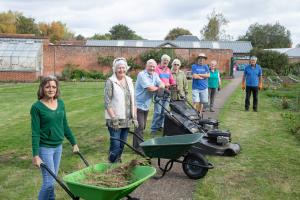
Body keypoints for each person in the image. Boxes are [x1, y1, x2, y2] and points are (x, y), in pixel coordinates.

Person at [30, 75, 79, 200]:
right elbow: (35, 132)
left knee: (53, 180)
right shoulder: (36, 107)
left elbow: (65, 126)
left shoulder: (61, 103)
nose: (51, 89)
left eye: (53, 87)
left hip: (58, 147)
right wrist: (35, 155)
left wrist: (74, 143)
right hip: (45, 148)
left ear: (57, 89)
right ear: (42, 88)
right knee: (49, 182)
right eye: (48, 87)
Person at [104, 57, 137, 163]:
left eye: (123, 67)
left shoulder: (129, 80)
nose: (121, 70)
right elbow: (107, 102)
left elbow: (133, 100)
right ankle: (112, 163)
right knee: (115, 145)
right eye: (119, 68)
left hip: (127, 120)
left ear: (126, 68)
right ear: (115, 69)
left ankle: (117, 162)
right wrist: (113, 118)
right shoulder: (110, 81)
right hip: (115, 121)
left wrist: (134, 117)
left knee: (122, 145)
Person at [134, 59, 164, 151]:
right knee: (140, 126)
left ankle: (136, 145)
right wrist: (159, 89)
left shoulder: (155, 75)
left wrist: (161, 86)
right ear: (146, 66)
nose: (152, 68)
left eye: (153, 66)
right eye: (150, 66)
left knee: (142, 126)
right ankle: (139, 147)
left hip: (146, 105)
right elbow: (149, 88)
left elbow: (161, 83)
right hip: (138, 104)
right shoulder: (142, 75)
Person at [151, 54, 175, 134]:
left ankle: (160, 126)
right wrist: (164, 84)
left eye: (167, 61)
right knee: (157, 111)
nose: (166, 62)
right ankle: (153, 129)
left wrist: (173, 84)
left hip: (167, 93)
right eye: (164, 60)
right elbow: (156, 81)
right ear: (161, 60)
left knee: (164, 112)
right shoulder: (156, 69)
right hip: (159, 93)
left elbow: (172, 80)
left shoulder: (168, 70)